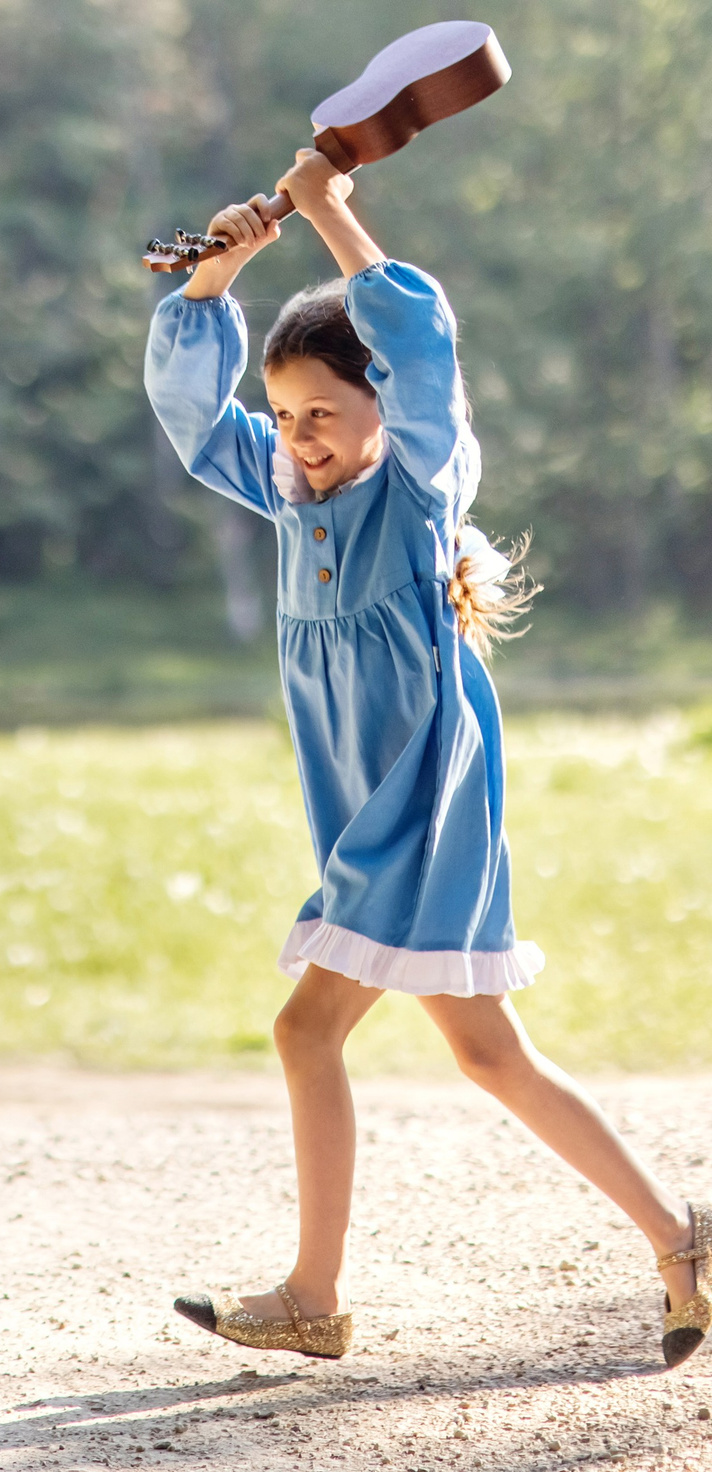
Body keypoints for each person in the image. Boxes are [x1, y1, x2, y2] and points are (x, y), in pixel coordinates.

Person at [143, 150, 705, 1369]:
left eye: (324, 416)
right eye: (285, 417)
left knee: (308, 1033)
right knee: (488, 1051)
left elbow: (425, 354)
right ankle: (679, 1241)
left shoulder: (416, 486)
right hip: (366, 815)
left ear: (380, 413)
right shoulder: (287, 492)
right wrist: (217, 279)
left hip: (422, 806)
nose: (298, 441)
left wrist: (332, 211)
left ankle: (312, 1290)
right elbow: (196, 416)